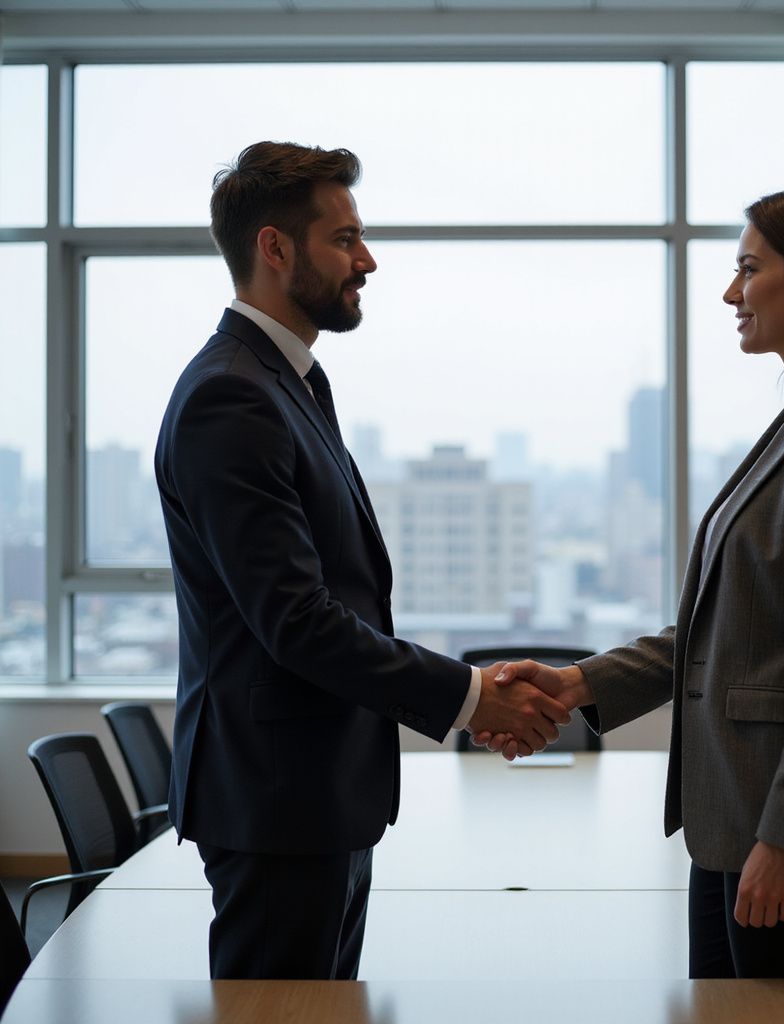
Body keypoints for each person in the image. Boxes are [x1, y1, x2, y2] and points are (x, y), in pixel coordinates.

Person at [477, 183, 784, 979]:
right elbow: (719, 633)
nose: (731, 292)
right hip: (734, 816)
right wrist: (576, 682)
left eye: (748, 268)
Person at [154, 141, 569, 981]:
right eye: (344, 239)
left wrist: (467, 698)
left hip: (313, 794)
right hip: (277, 801)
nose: (367, 260)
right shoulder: (232, 395)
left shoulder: (287, 382)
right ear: (274, 248)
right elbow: (297, 621)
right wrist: (473, 694)